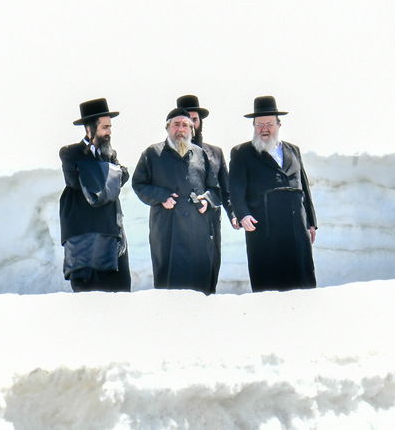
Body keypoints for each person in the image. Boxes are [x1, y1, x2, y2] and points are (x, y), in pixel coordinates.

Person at [228, 95, 317, 292]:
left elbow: (304, 187)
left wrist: (311, 222)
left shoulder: (293, 150)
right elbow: (235, 189)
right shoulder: (242, 152)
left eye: (269, 123)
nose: (264, 129)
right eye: (259, 124)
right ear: (253, 126)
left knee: (301, 283)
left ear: (279, 124)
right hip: (264, 229)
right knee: (269, 286)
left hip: (296, 228)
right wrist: (242, 214)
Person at [132, 109, 221, 292]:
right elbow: (138, 184)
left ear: (192, 130)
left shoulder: (200, 154)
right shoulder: (152, 153)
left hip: (198, 231)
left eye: (185, 125)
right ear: (167, 128)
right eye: (176, 124)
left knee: (199, 288)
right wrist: (160, 196)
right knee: (169, 287)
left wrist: (207, 201)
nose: (181, 129)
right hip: (167, 231)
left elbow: (215, 189)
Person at [58, 97, 131, 292]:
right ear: (90, 129)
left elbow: (124, 174)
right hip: (84, 240)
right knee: (88, 296)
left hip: (111, 233)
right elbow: (75, 182)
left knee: (119, 294)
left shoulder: (110, 154)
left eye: (110, 127)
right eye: (105, 127)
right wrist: (111, 171)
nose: (109, 132)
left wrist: (106, 170)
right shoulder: (71, 152)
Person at [178, 93, 238, 293]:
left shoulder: (215, 153)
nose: (191, 125)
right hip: (180, 228)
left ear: (200, 122)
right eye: (186, 121)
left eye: (194, 120)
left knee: (208, 282)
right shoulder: (166, 154)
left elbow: (226, 190)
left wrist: (234, 215)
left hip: (210, 226)